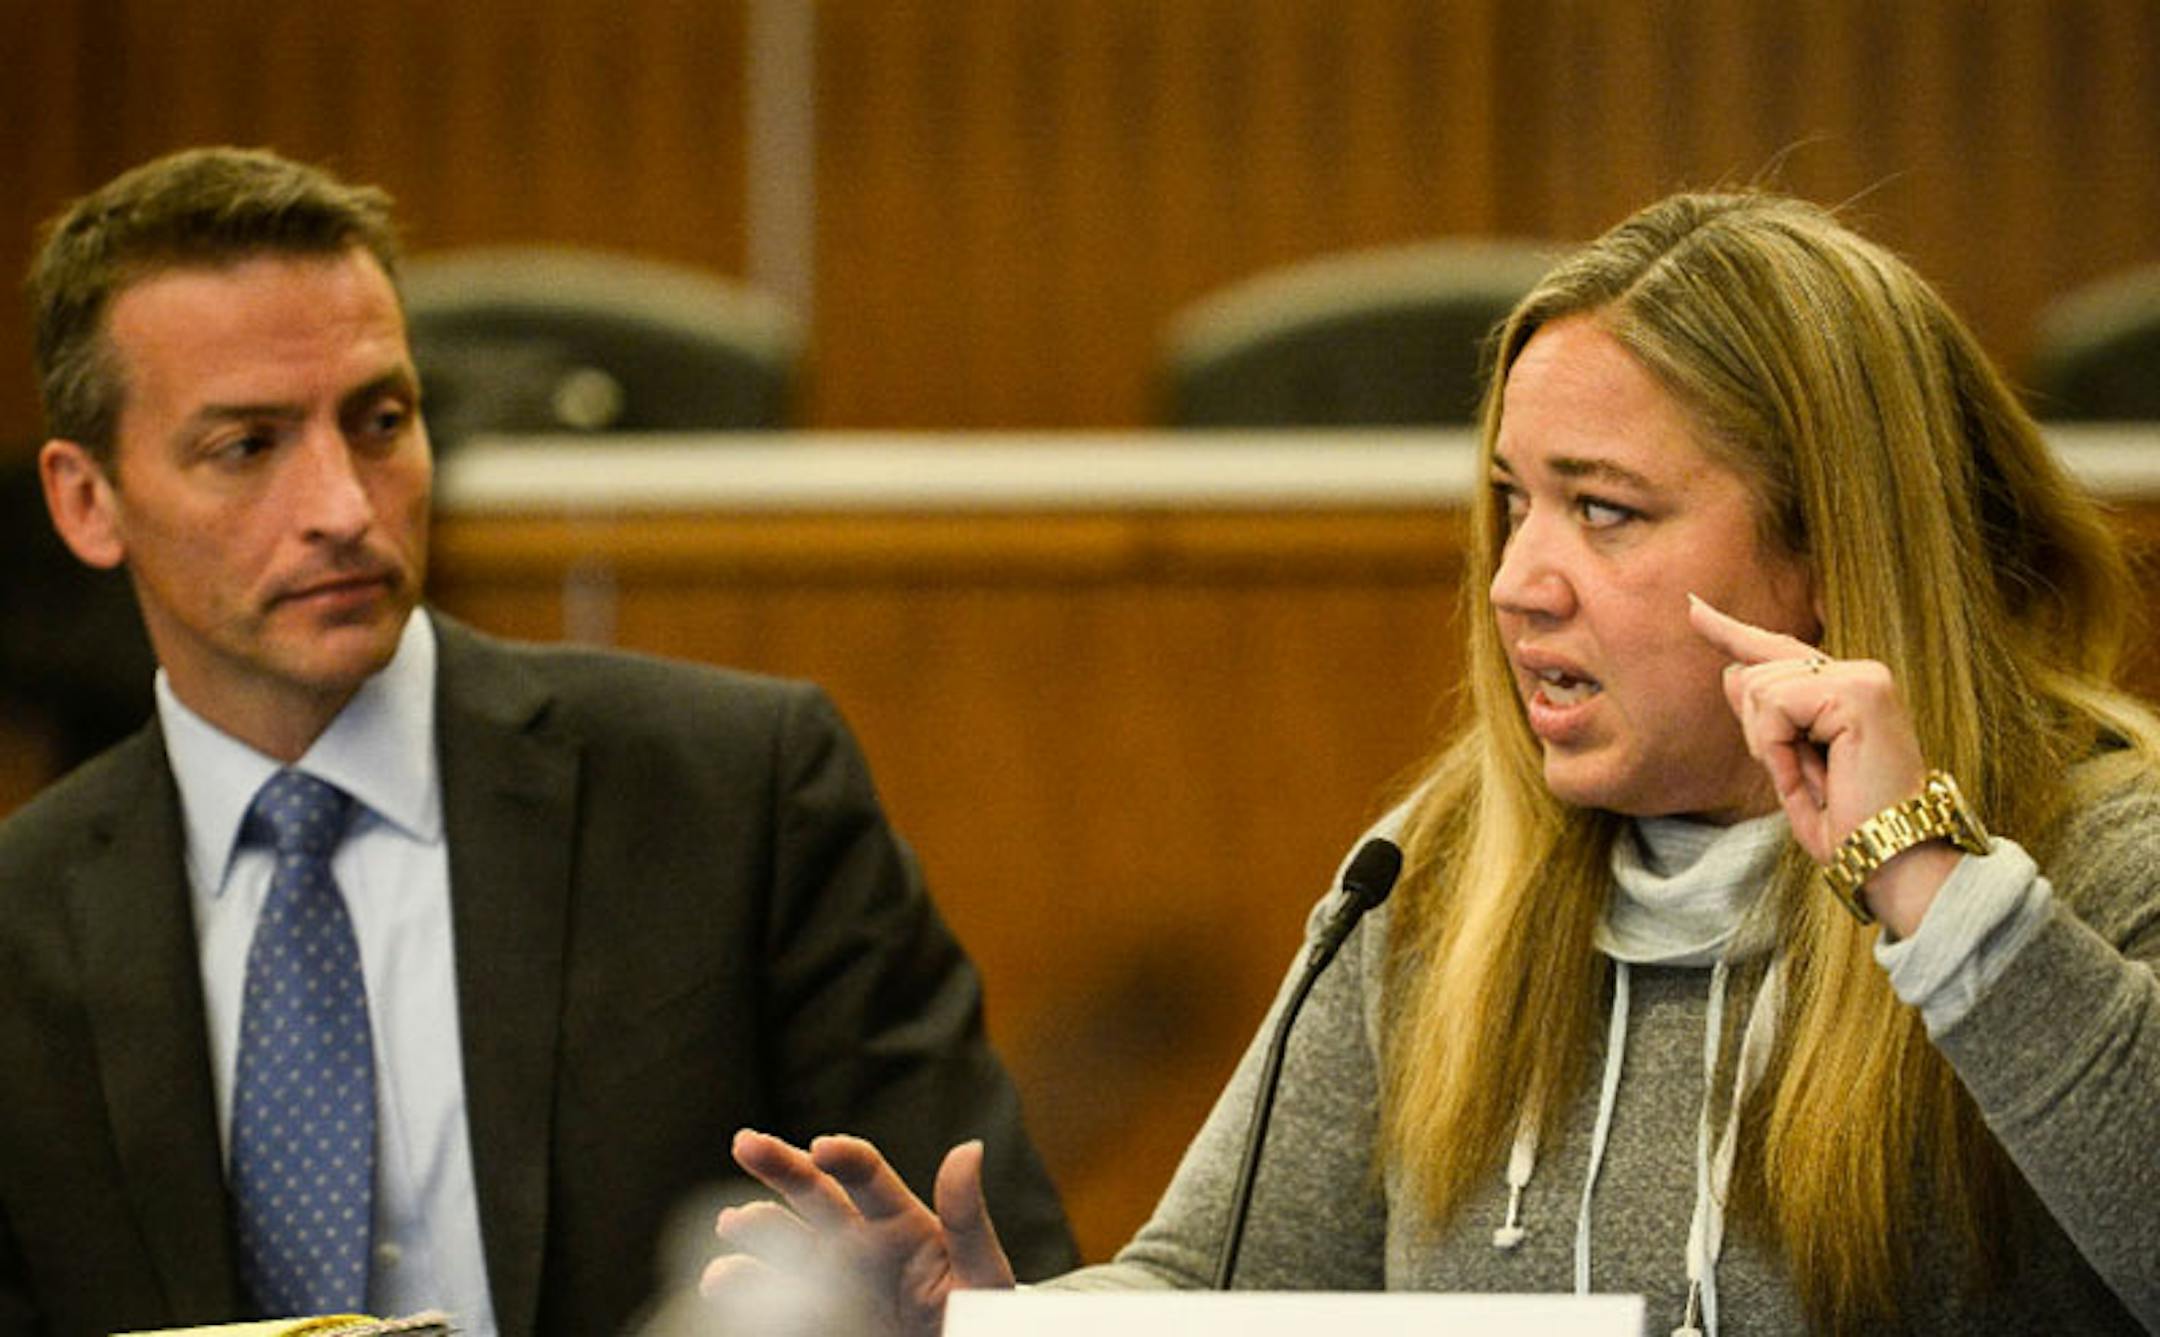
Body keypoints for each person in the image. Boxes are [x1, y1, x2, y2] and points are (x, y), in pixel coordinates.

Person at [704, 191, 2160, 1335]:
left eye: (1605, 512)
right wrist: (993, 1330)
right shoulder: (1443, 873)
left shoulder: (2097, 860)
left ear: (1835, 548)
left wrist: (1940, 894)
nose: (1518, 578)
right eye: (1512, 502)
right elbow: (1217, 1299)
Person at [0, 146, 1077, 1337]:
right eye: (248, 445)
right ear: (85, 501)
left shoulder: (736, 792)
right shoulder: (19, 924)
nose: (345, 506)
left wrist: (961, 1314)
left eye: (381, 421)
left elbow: (997, 1268)